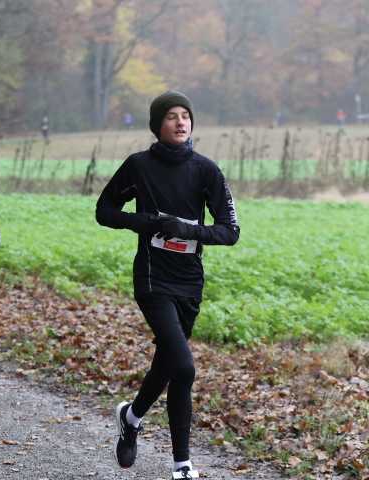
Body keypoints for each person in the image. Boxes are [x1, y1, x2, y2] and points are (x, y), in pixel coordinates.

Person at [95, 91, 239, 479]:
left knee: (166, 366)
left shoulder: (206, 170)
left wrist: (187, 229)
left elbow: (230, 231)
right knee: (184, 368)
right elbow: (104, 210)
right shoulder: (138, 165)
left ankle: (131, 417)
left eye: (185, 115)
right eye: (172, 116)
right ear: (158, 124)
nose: (180, 122)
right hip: (152, 278)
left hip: (190, 282)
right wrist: (139, 222)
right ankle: (182, 465)